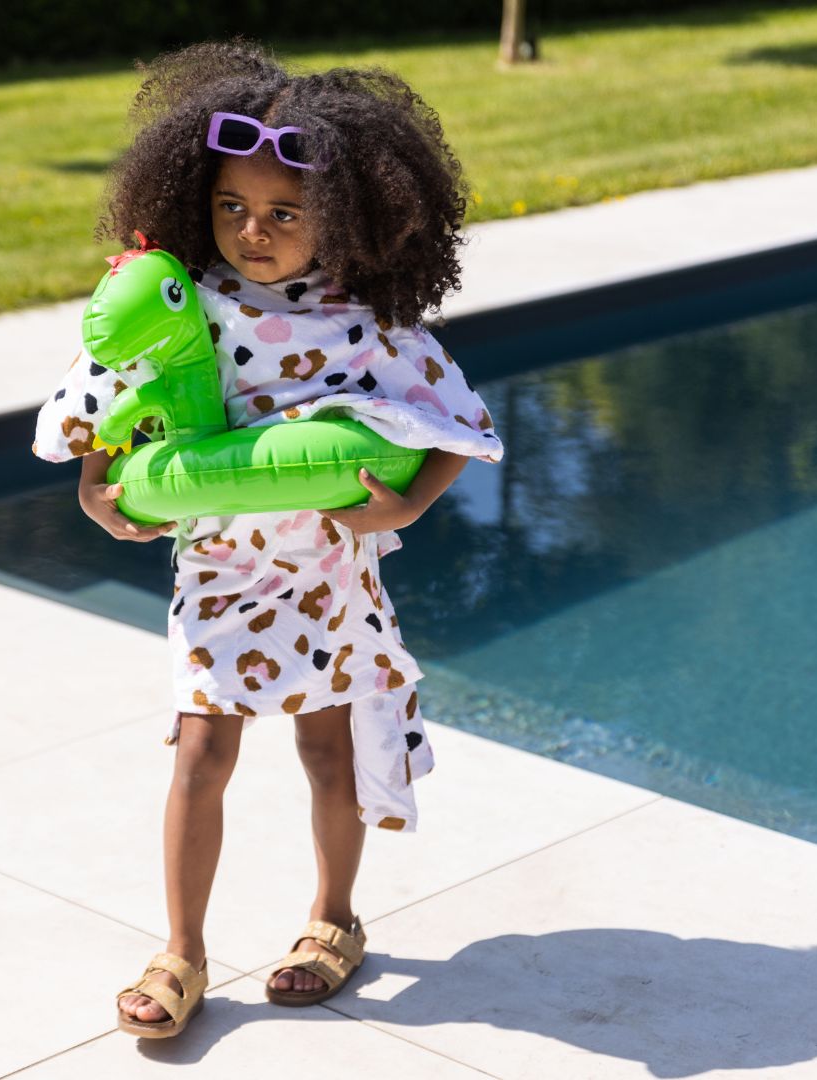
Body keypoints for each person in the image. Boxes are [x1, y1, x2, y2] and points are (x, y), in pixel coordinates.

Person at [31, 38, 504, 1038]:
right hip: (219, 570)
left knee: (327, 753)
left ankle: (333, 920)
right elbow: (112, 398)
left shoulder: (363, 324)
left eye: (285, 214)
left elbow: (459, 424)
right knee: (199, 752)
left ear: (343, 220)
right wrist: (94, 482)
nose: (255, 232)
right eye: (232, 209)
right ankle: (182, 950)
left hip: (328, 577)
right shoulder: (189, 307)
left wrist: (409, 505)